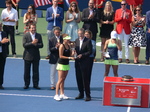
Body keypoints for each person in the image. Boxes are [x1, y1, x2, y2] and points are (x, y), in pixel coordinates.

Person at [54, 35, 75, 101]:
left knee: (63, 79)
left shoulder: (68, 46)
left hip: (66, 64)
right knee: (60, 79)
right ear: (64, 40)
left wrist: (73, 49)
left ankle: (62, 94)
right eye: (67, 39)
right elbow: (60, 56)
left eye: (69, 39)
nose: (68, 40)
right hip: (61, 64)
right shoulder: (61, 46)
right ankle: (56, 94)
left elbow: (71, 55)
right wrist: (69, 58)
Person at [23, 24, 43, 89]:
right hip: (27, 56)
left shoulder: (38, 35)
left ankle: (36, 84)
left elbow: (41, 45)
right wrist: (32, 43)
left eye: (34, 28)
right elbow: (24, 45)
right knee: (27, 71)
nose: (33, 29)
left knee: (36, 71)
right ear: (29, 29)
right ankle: (26, 84)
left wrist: (36, 44)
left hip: (36, 56)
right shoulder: (26, 35)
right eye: (32, 28)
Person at [75, 28, 92, 101]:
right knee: (78, 79)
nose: (80, 35)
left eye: (81, 33)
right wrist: (74, 53)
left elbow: (89, 52)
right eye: (79, 34)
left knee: (85, 79)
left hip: (85, 63)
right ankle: (81, 93)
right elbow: (75, 50)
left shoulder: (88, 41)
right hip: (77, 63)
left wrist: (82, 55)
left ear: (84, 33)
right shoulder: (76, 40)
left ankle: (88, 95)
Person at [0, 22, 9, 89]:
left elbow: (6, 43)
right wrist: (1, 42)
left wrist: (7, 42)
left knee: (1, 69)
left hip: (2, 54)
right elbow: (2, 42)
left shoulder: (4, 33)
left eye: (0, 26)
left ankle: (0, 84)